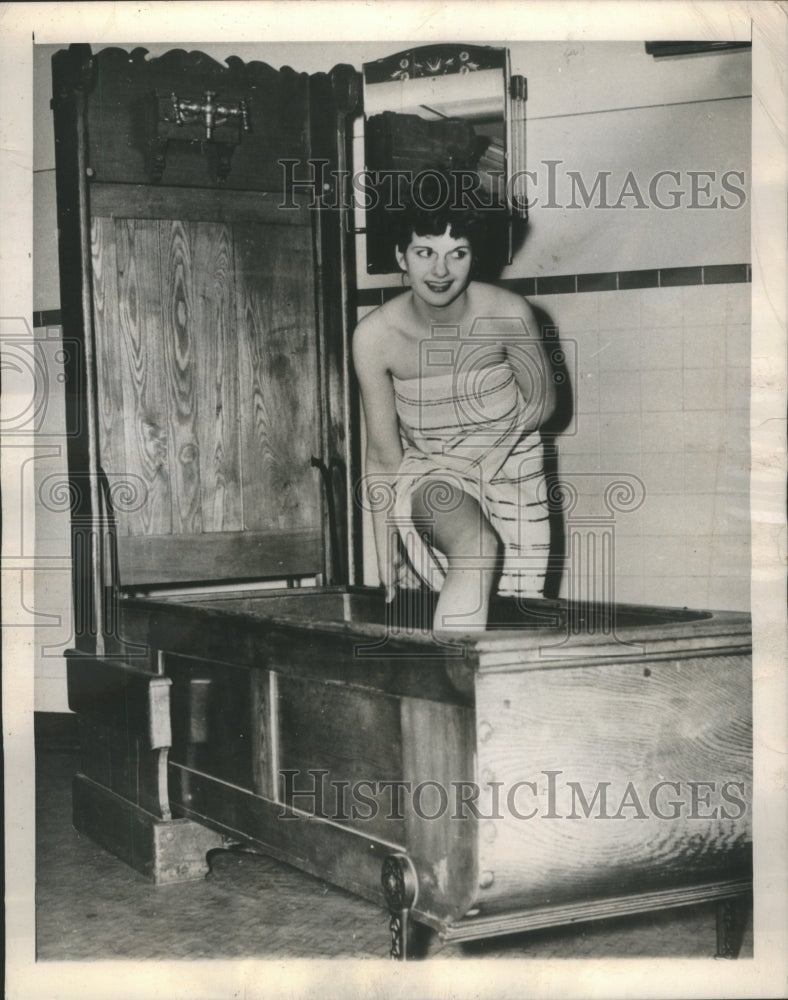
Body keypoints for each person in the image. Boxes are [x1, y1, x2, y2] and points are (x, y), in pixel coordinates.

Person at [352, 200, 556, 631]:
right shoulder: (374, 337)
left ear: (473, 256)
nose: (440, 271)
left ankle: (475, 687)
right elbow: (384, 457)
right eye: (425, 252)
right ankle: (452, 683)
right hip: (433, 472)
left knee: (513, 617)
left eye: (457, 253)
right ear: (400, 256)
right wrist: (385, 552)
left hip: (515, 475)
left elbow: (544, 404)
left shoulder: (508, 313)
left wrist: (485, 449)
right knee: (476, 547)